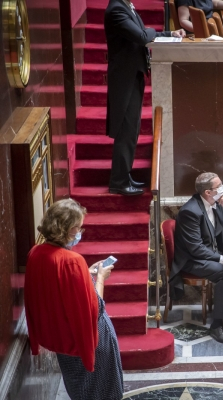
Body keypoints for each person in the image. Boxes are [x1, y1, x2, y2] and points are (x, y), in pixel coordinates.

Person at [24, 199, 123, 400]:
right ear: (66, 229)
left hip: (61, 338)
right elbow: (95, 309)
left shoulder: (36, 252)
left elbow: (55, 288)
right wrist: (100, 278)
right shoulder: (72, 261)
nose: (79, 233)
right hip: (88, 338)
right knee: (102, 390)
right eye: (78, 228)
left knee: (78, 388)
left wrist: (85, 275)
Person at [105, 0, 185, 196]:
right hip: (124, 79)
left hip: (134, 74)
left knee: (132, 129)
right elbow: (141, 36)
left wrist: (168, 33)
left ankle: (125, 174)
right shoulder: (116, 9)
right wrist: (149, 30)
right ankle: (119, 181)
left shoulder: (126, 6)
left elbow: (141, 34)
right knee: (126, 129)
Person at [170, 172, 223, 345]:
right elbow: (195, 249)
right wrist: (222, 259)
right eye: (219, 186)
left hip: (209, 255)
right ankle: (217, 325)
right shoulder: (191, 211)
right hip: (192, 260)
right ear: (208, 192)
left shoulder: (214, 204)